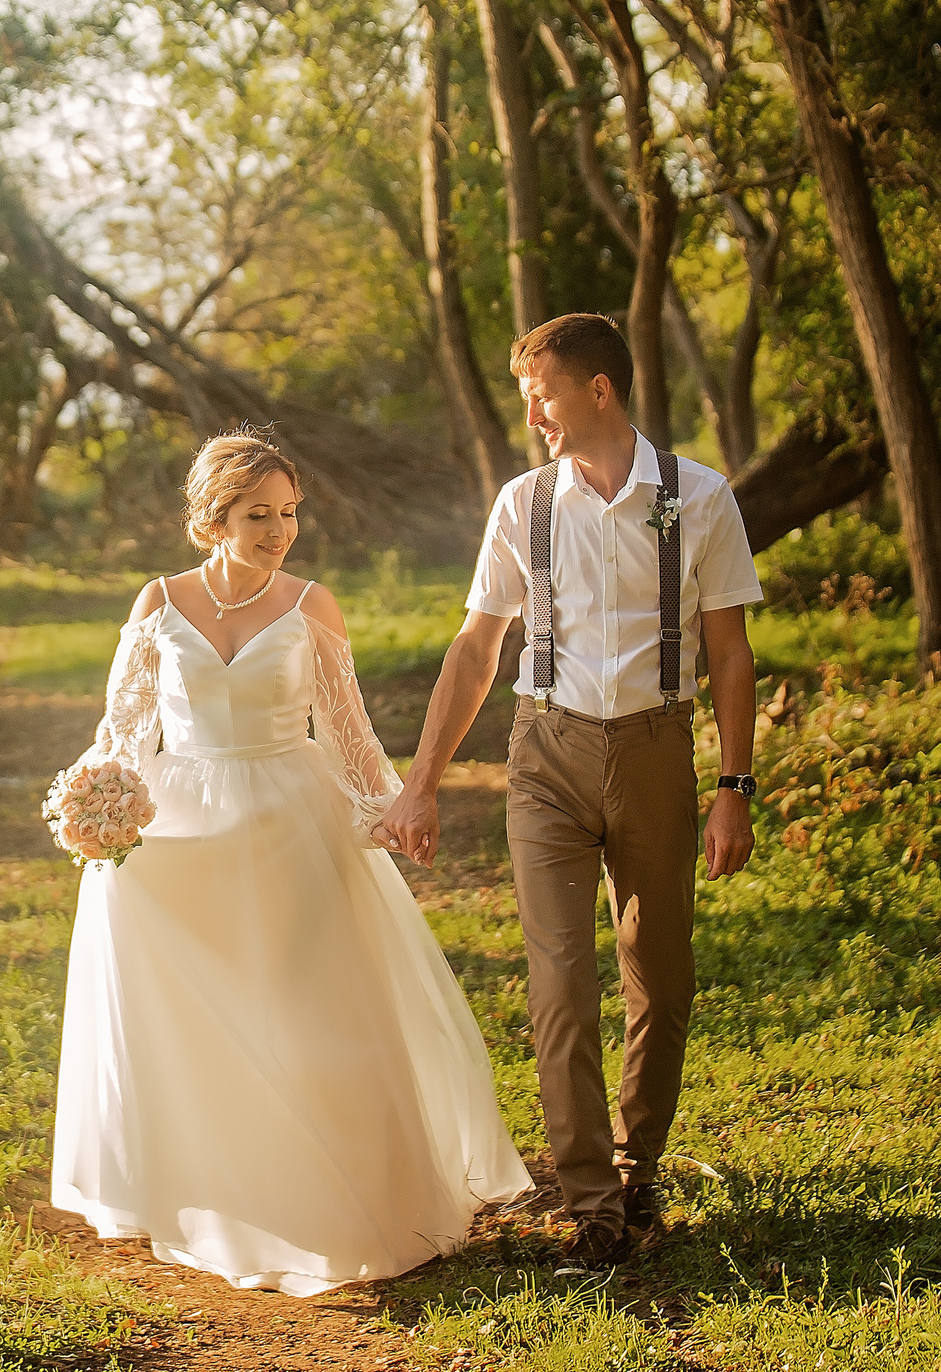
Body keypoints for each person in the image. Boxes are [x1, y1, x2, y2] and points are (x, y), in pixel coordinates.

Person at [50, 428, 530, 1296]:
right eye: (258, 515)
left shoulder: (313, 606)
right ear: (213, 518)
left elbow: (347, 736)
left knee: (311, 1009)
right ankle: (213, 1185)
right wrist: (99, 807)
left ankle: (338, 1198)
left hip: (289, 821)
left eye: (289, 513)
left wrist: (392, 807)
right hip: (180, 838)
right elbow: (121, 734)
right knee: (199, 1020)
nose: (279, 531)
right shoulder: (157, 603)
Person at [379, 312, 761, 1268]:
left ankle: (639, 1164)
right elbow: (477, 648)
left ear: (599, 390)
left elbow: (729, 651)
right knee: (560, 983)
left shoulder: (699, 495)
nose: (534, 414)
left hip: (656, 751)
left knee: (659, 977)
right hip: (544, 752)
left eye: (542, 394)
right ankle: (591, 1200)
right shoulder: (523, 503)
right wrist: (420, 782)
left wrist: (734, 788)